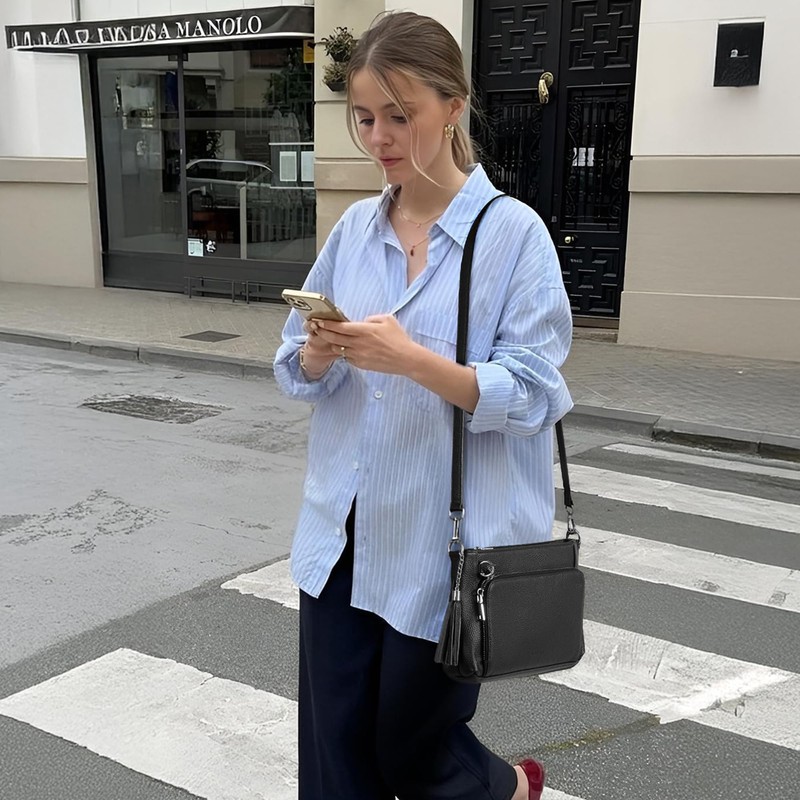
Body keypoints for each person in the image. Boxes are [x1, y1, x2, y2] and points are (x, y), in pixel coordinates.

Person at [274, 11, 573, 800]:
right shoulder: (354, 229)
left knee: (412, 750)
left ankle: (508, 789)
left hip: (441, 549)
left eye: (399, 115)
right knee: (335, 756)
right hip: (341, 532)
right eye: (365, 117)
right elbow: (292, 363)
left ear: (452, 107)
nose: (379, 137)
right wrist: (316, 354)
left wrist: (416, 363)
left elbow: (537, 392)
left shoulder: (512, 236)